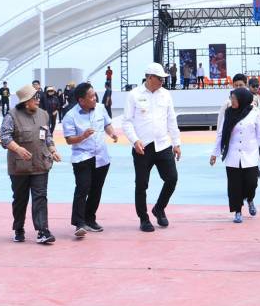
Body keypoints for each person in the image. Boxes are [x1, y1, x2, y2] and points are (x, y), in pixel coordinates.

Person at [122, 63, 182, 232]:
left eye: (164, 78)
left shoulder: (166, 95)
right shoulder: (134, 95)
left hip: (163, 144)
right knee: (141, 184)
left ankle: (159, 208)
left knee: (172, 178)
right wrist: (135, 141)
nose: (162, 81)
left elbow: (171, 119)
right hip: (143, 146)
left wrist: (176, 143)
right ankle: (144, 218)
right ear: (149, 77)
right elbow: (126, 122)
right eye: (159, 78)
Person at [0, 84, 61, 244]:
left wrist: (53, 150)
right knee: (20, 199)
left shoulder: (44, 115)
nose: (38, 100)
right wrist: (18, 149)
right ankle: (18, 228)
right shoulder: (12, 116)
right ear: (26, 102)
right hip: (19, 166)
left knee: (40, 197)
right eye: (35, 98)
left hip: (41, 163)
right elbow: (5, 137)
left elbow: (47, 136)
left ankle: (43, 231)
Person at [63, 82, 118, 237]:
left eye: (94, 95)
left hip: (101, 157)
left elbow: (107, 124)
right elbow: (69, 140)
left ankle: (90, 219)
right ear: (81, 100)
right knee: (82, 189)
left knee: (96, 190)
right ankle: (79, 223)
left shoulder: (100, 108)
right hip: (82, 157)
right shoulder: (71, 116)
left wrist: (112, 134)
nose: (95, 98)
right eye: (91, 96)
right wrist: (82, 136)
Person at [210, 87, 260, 222]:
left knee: (251, 183)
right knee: (234, 185)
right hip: (232, 154)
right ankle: (237, 211)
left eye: (234, 98)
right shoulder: (228, 113)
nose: (231, 101)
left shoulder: (254, 113)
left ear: (242, 99)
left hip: (250, 154)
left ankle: (250, 199)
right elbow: (221, 133)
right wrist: (215, 153)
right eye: (231, 98)